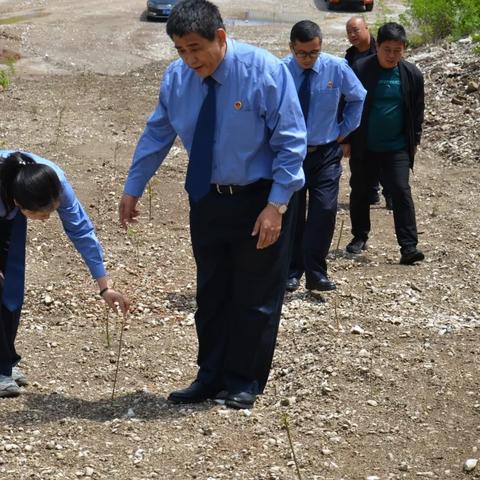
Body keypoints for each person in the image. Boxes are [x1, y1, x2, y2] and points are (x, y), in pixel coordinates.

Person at [118, 0, 306, 409]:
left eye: (195, 48)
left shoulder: (265, 72)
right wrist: (133, 186)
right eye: (180, 50)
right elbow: (157, 134)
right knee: (212, 293)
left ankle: (244, 380)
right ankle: (210, 375)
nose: (189, 59)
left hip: (259, 198)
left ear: (220, 37)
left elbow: (291, 141)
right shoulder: (177, 79)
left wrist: (277, 205)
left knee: (255, 295)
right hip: (206, 198)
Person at [0, 150, 130, 398]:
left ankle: (6, 362)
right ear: (19, 204)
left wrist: (105, 286)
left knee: (12, 285)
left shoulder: (55, 183)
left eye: (51, 211)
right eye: (41, 214)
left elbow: (81, 231)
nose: (47, 218)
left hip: (10, 205)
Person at [283, 20, 366, 293]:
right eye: (302, 53)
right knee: (291, 213)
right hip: (292, 154)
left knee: (324, 210)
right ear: (292, 47)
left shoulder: (336, 67)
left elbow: (358, 97)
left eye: (314, 52)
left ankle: (316, 273)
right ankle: (292, 271)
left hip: (326, 152)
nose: (308, 59)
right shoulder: (280, 71)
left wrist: (344, 131)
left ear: (321, 47)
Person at [345, 22, 425, 265]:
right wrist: (346, 140)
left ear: (404, 50)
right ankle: (359, 236)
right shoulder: (360, 69)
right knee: (360, 191)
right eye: (387, 49)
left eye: (397, 50)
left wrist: (415, 140)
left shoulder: (412, 75)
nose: (392, 55)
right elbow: (347, 104)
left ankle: (409, 247)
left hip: (397, 147)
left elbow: (417, 112)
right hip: (365, 145)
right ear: (377, 46)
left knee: (401, 191)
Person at [345, 15, 392, 210]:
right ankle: (370, 193)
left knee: (385, 160)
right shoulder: (349, 57)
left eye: (356, 30)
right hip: (359, 115)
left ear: (367, 27)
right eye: (349, 32)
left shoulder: (381, 50)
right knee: (360, 159)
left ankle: (390, 195)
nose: (352, 35)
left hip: (381, 113)